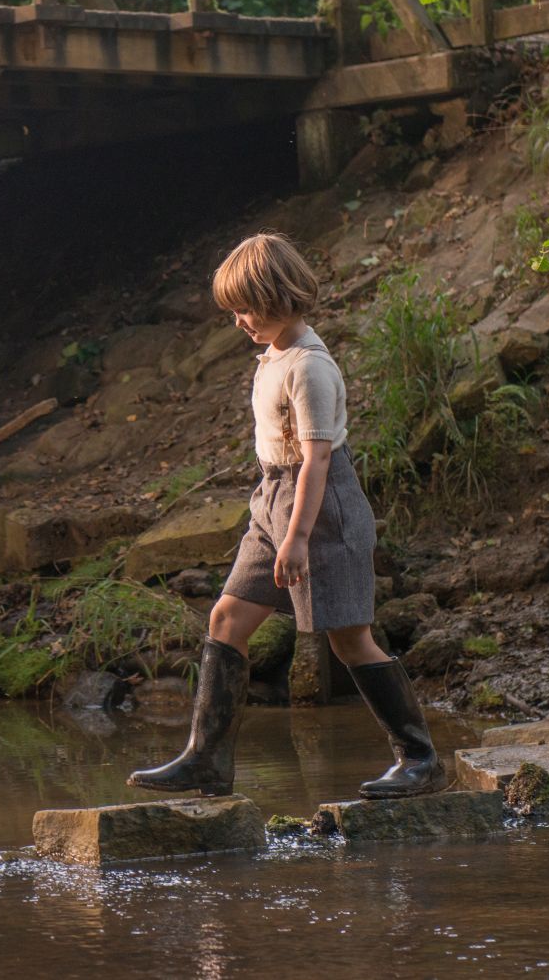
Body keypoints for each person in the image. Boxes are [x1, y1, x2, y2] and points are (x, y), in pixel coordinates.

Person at [127, 232, 445, 800]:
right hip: (272, 502)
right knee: (226, 619)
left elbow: (318, 459)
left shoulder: (309, 368)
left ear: (279, 297)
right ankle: (207, 759)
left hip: (324, 511)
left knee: (350, 640)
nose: (239, 322)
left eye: (245, 309)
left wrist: (297, 538)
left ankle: (419, 758)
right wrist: (278, 524)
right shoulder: (272, 356)